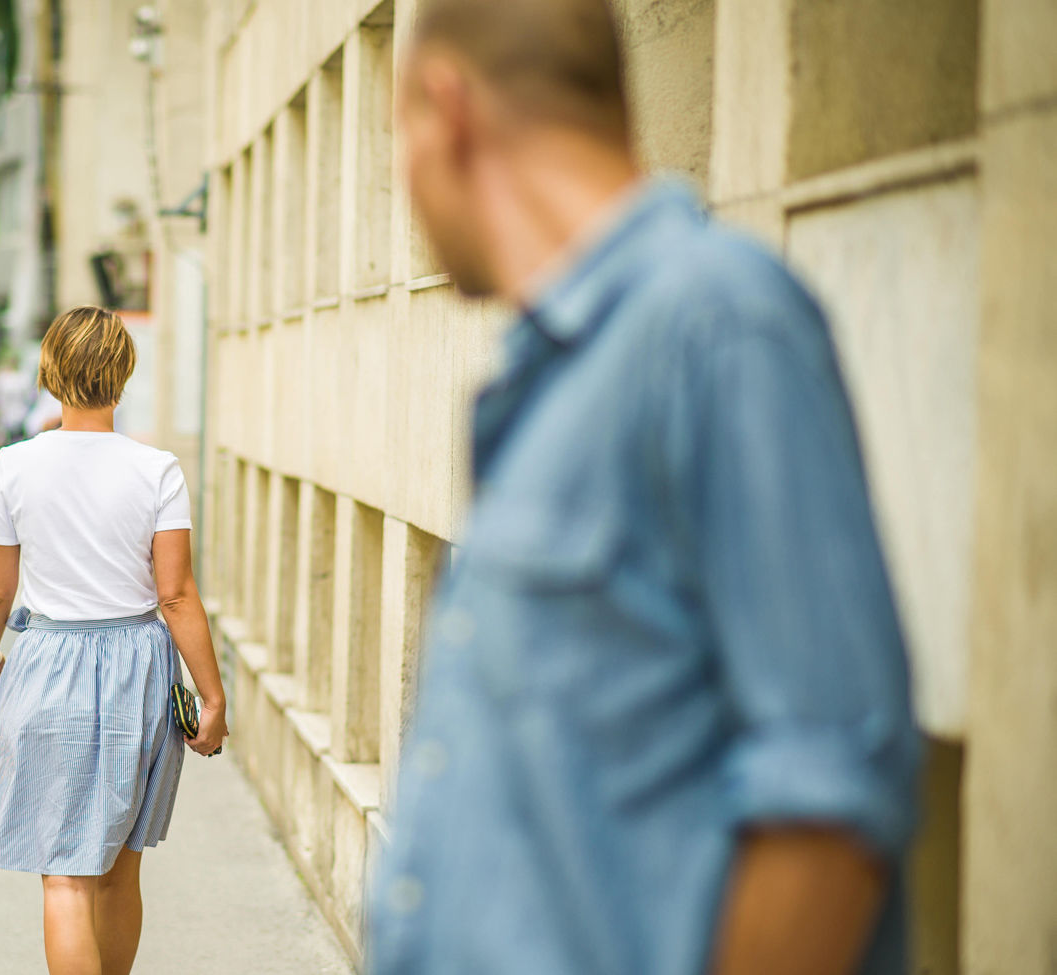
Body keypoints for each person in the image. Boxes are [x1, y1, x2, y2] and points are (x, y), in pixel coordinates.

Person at [368, 3, 920, 975]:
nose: (403, 183)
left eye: (393, 133)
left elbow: (824, 808)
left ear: (448, 109)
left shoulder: (718, 326)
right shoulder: (560, 370)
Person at [0, 306, 228, 975]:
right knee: (118, 867)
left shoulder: (14, 465)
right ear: (124, 373)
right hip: (137, 668)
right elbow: (175, 594)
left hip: (49, 660)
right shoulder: (158, 469)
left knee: (64, 874)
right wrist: (213, 693)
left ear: (51, 374)